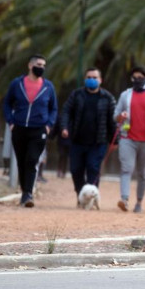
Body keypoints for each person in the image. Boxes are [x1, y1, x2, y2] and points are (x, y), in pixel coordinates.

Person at [3, 54, 58, 208]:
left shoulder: (48, 87)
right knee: (21, 161)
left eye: (43, 65)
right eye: (39, 64)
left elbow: (53, 108)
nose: (41, 68)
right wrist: (11, 122)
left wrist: (48, 125)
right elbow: (7, 103)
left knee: (32, 160)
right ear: (30, 65)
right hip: (19, 127)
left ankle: (28, 194)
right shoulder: (17, 84)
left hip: (39, 129)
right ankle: (24, 191)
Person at [60, 68, 117, 205]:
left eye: (95, 77)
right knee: (76, 170)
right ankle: (81, 195)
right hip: (77, 141)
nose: (92, 80)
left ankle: (92, 199)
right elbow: (66, 111)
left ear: (100, 80)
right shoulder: (76, 95)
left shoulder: (108, 98)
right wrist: (64, 127)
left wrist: (115, 140)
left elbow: (113, 120)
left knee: (93, 169)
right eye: (89, 77)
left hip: (98, 142)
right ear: (85, 79)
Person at [114, 66, 145, 213]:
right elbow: (116, 115)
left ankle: (139, 202)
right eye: (134, 77)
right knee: (126, 168)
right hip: (127, 137)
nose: (137, 80)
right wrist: (121, 116)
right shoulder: (125, 95)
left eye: (140, 77)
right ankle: (124, 199)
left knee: (142, 172)